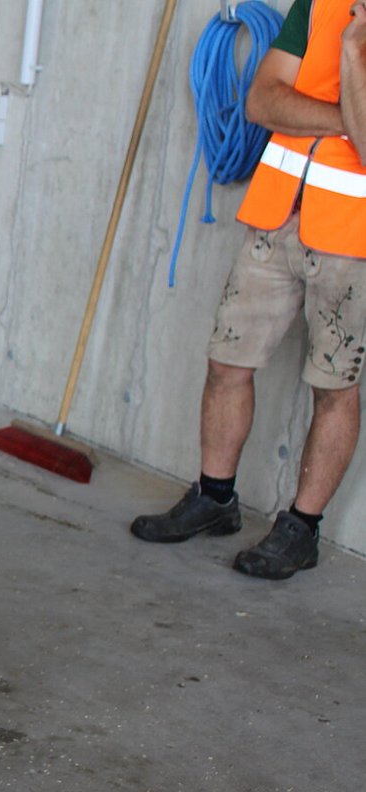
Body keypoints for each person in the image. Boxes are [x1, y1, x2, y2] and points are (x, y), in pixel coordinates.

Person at [131, 0, 366, 578]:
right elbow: (262, 101)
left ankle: (301, 530)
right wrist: (346, 116)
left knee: (334, 388)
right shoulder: (318, 5)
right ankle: (215, 499)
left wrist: (354, 50)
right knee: (226, 364)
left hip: (350, 238)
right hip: (274, 218)